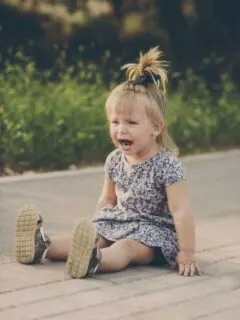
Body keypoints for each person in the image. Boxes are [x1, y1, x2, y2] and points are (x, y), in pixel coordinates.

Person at [15, 47, 201, 279]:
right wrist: (97, 225)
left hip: (154, 233)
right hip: (120, 221)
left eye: (131, 122)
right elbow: (108, 198)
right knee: (97, 238)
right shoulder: (114, 159)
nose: (121, 129)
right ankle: (42, 245)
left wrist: (187, 253)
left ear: (156, 127)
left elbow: (181, 211)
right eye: (115, 122)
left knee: (126, 247)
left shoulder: (167, 165)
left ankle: (94, 260)